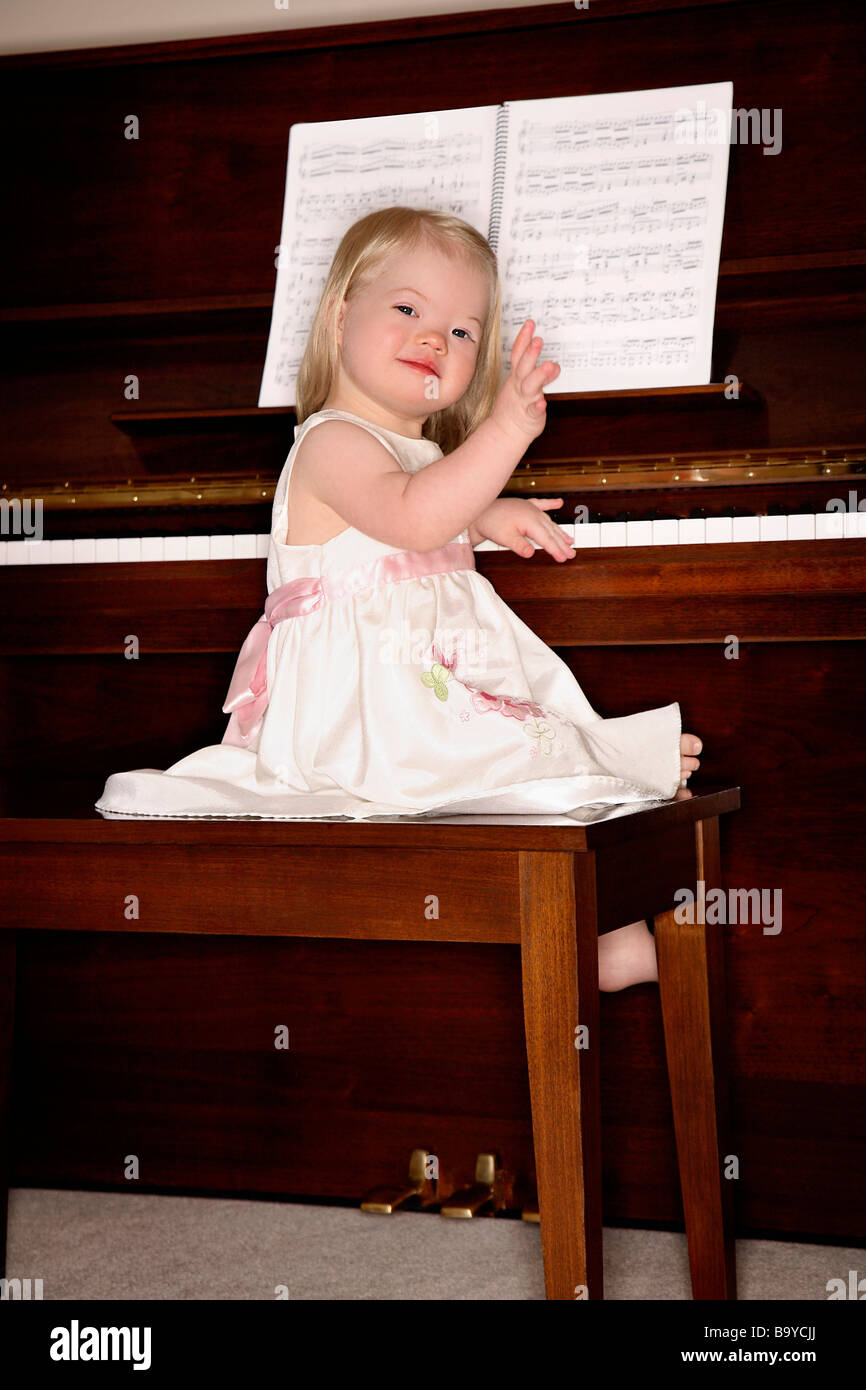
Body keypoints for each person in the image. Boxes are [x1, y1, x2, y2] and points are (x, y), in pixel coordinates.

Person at [95, 206, 702, 989]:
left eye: (462, 333)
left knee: (537, 748)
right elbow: (412, 515)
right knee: (529, 755)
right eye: (409, 310)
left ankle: (599, 919)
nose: (433, 339)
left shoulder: (415, 451)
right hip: (366, 707)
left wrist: (486, 514)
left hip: (421, 685)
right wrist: (508, 433)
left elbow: (425, 502)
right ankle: (600, 915)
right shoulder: (329, 440)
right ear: (343, 314)